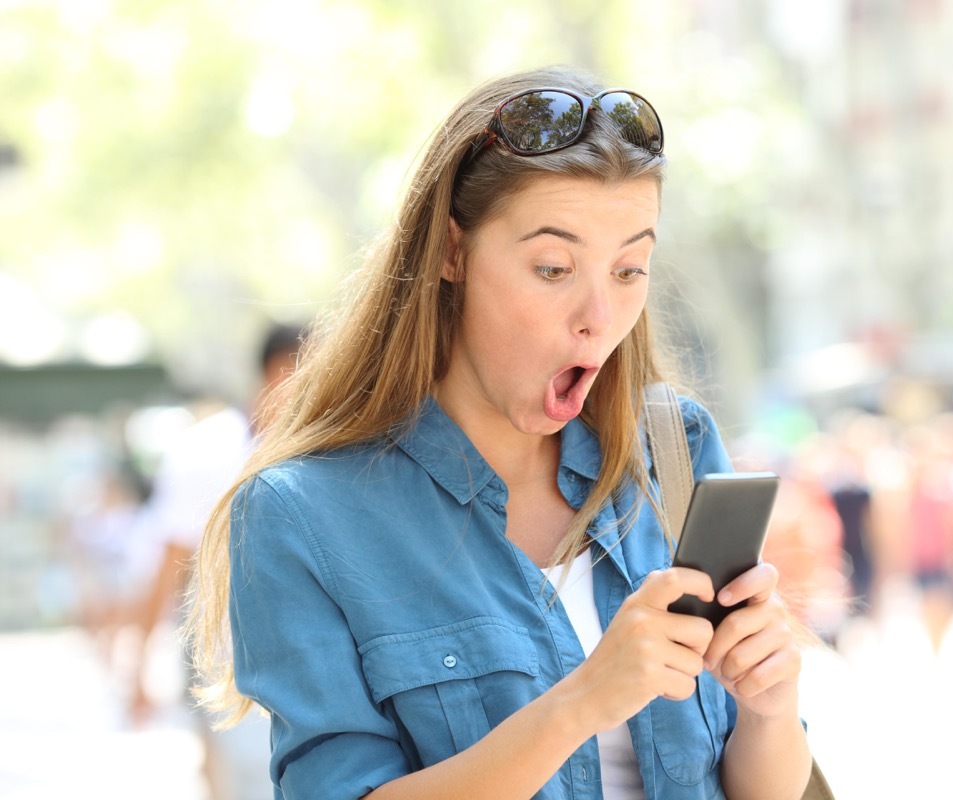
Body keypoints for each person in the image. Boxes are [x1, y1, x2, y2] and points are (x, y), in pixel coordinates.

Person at [186, 66, 813, 800]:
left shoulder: (675, 450)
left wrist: (772, 709)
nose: (599, 317)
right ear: (451, 252)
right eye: (552, 268)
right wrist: (582, 703)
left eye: (629, 269)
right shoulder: (303, 514)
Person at [130, 322, 305, 800]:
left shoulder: (324, 447)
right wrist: (139, 665)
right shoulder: (205, 452)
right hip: (221, 655)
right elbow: (169, 563)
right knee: (231, 780)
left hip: (303, 654)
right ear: (278, 370)